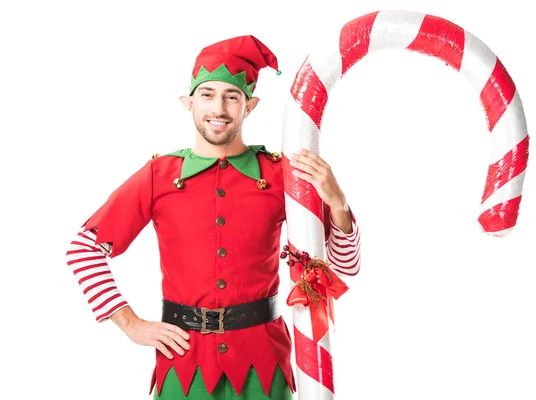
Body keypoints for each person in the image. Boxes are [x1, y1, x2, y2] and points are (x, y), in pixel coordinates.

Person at [65, 34, 361, 400]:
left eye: (231, 96)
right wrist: (131, 324)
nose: (218, 108)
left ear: (249, 106)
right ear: (188, 102)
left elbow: (341, 269)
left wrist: (339, 206)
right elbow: (84, 248)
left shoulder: (280, 175)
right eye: (207, 95)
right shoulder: (159, 175)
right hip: (183, 364)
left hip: (263, 365)